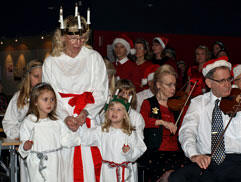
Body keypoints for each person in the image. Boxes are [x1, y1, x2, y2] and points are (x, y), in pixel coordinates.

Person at [169, 56, 241, 182]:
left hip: (235, 163)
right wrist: (194, 154)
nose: (228, 84)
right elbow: (187, 131)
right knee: (177, 178)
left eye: (229, 79)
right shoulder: (198, 103)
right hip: (206, 161)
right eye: (222, 81)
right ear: (209, 83)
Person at [42, 14, 108, 182]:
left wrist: (84, 113)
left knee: (90, 165)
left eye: (82, 38)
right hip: (62, 117)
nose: (78, 43)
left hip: (88, 115)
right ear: (63, 37)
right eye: (73, 38)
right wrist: (66, 117)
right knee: (64, 167)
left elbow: (101, 91)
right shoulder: (51, 62)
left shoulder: (93, 58)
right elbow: (50, 95)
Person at [71, 96, 147, 182]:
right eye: (111, 109)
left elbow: (140, 149)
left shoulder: (130, 133)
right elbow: (86, 137)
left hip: (126, 174)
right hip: (107, 173)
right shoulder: (102, 130)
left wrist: (129, 152)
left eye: (119, 109)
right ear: (107, 112)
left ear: (125, 115)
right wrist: (80, 124)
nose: (114, 112)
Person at [18, 83, 77, 182]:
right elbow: (23, 145)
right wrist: (25, 147)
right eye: (45, 99)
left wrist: (76, 135)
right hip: (37, 164)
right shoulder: (29, 122)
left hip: (55, 164)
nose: (49, 103)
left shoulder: (57, 122)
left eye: (52, 99)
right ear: (35, 101)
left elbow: (66, 139)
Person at [140, 64, 183, 181]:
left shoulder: (177, 105)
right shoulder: (148, 103)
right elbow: (142, 122)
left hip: (176, 153)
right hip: (156, 154)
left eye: (174, 84)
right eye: (169, 84)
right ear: (158, 85)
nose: (173, 88)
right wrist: (162, 122)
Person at [2, 59, 42, 182]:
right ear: (28, 77)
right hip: (27, 149)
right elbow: (8, 123)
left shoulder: (49, 97)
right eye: (36, 76)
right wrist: (20, 136)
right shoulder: (19, 98)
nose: (40, 80)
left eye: (42, 76)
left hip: (47, 147)